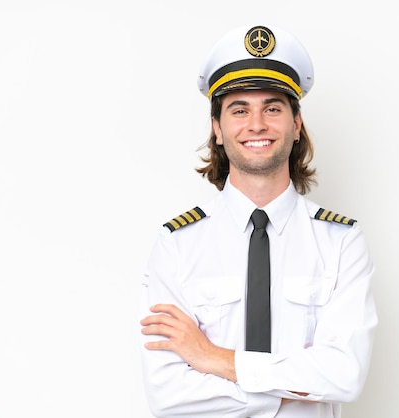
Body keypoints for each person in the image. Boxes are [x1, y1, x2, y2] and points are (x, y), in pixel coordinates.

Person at [139, 24, 377, 418]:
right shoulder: (176, 245)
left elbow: (344, 374)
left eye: (272, 108)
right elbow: (168, 395)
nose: (256, 125)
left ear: (296, 124)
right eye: (239, 110)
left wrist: (211, 357)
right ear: (217, 128)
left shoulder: (342, 242)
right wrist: (292, 389)